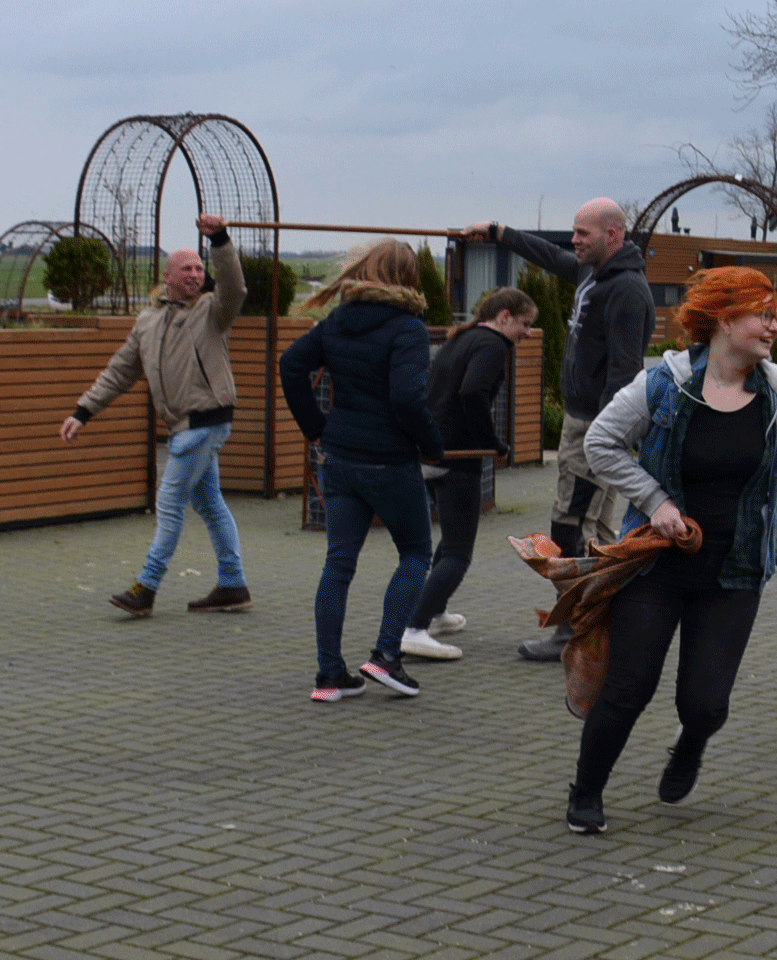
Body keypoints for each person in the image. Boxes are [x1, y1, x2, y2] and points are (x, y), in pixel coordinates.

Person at [566, 266, 777, 835]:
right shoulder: (664, 385)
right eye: (763, 313)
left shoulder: (775, 390)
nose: (775, 325)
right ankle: (586, 790)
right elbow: (599, 442)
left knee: (705, 704)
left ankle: (690, 743)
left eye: (775, 314)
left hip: (735, 570)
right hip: (657, 565)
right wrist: (655, 503)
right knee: (629, 685)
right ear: (724, 318)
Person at [462, 200, 656, 661]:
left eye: (583, 234)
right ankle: (602, 627)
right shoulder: (595, 275)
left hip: (596, 427)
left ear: (612, 236)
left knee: (570, 522)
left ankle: (570, 630)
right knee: (601, 531)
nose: (574, 241)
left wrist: (605, 437)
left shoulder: (626, 290)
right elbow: (549, 257)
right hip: (587, 423)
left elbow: (624, 373)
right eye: (573, 232)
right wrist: (500, 231)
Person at [62, 213, 252, 618]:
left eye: (200, 268)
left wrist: (219, 240)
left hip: (206, 422)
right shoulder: (148, 322)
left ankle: (145, 588)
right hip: (183, 426)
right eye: (187, 268)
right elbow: (119, 371)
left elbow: (234, 286)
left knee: (168, 504)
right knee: (209, 501)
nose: (196, 274)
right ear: (167, 276)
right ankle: (233, 585)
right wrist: (83, 411)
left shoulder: (214, 312)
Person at [278, 240, 444, 701]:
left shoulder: (337, 321)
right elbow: (407, 399)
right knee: (414, 553)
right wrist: (433, 447)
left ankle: (330, 675)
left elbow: (291, 364)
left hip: (341, 460)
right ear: (408, 278)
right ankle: (386, 656)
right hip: (390, 462)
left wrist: (316, 430)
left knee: (338, 564)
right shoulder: (408, 327)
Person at [399, 285, 539, 661]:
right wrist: (493, 442)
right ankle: (413, 628)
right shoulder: (492, 345)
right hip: (458, 456)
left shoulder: (463, 339)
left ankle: (436, 612)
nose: (527, 333)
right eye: (524, 324)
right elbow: (473, 393)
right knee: (459, 553)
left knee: (451, 539)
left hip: (433, 450)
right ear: (504, 316)